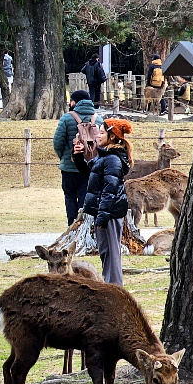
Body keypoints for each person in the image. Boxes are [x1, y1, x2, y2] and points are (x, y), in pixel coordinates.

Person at [72, 118, 132, 286]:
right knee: (106, 253)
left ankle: (115, 290)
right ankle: (110, 287)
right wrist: (78, 156)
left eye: (102, 132)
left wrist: (102, 217)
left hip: (110, 214)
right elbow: (90, 173)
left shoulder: (112, 159)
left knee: (112, 255)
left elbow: (109, 190)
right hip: (105, 213)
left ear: (112, 136)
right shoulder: (105, 156)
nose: (98, 135)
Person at [53, 90, 103, 225]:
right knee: (85, 198)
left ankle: (71, 227)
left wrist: (64, 158)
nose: (70, 102)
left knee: (69, 197)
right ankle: (83, 227)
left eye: (71, 100)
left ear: (75, 102)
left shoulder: (66, 118)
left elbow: (57, 143)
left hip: (69, 169)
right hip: (89, 168)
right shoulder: (97, 119)